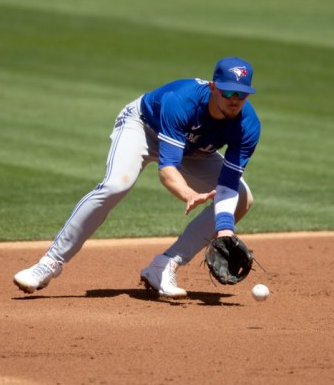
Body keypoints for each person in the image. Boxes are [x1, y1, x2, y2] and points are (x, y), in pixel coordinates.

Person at [13, 57, 262, 298]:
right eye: (228, 92)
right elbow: (167, 170)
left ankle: (164, 266)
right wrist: (188, 193)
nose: (235, 100)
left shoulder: (248, 125)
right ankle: (49, 263)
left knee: (241, 198)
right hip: (143, 128)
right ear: (212, 87)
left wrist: (225, 230)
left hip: (194, 150)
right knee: (115, 186)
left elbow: (228, 183)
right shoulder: (181, 101)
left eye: (241, 94)